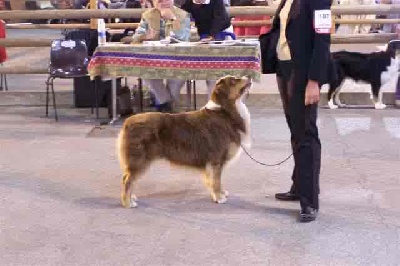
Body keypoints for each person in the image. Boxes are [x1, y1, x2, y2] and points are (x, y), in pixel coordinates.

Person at [261, 0, 331, 222]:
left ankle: (310, 200)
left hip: (303, 74)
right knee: (296, 130)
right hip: (285, 69)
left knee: (306, 134)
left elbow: (322, 40)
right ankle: (299, 185)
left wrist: (314, 81)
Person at [127, 0, 191, 112]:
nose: (164, 2)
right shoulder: (148, 15)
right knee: (146, 72)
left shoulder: (183, 15)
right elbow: (136, 37)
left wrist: (173, 19)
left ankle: (165, 107)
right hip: (153, 60)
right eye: (160, 0)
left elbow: (184, 37)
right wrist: (146, 36)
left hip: (178, 60)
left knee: (178, 78)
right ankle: (165, 104)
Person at [181, 0, 234, 98]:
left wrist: (212, 36)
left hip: (221, 31)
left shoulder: (217, 2)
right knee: (208, 69)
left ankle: (221, 99)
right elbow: (181, 13)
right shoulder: (189, 3)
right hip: (204, 34)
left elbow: (219, 19)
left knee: (218, 68)